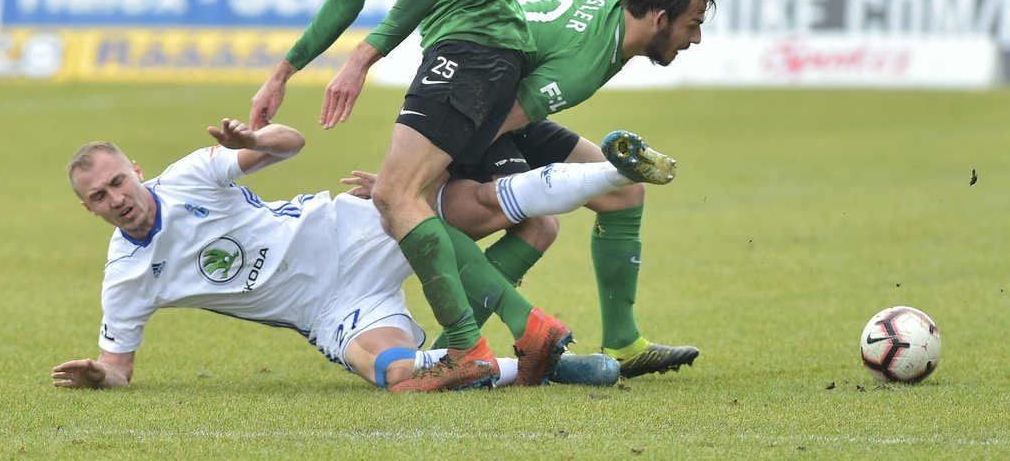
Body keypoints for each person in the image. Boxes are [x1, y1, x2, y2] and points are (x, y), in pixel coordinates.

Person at [248, 0, 562, 391]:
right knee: (434, 200)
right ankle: (531, 331)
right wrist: (284, 70)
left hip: (477, 41)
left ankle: (471, 349)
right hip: (470, 48)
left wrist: (361, 59)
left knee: (395, 197)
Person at [52, 119, 655, 392]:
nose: (116, 199)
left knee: (517, 219)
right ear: (89, 210)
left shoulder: (188, 177)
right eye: (98, 197)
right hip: (332, 309)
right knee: (397, 374)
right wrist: (98, 376)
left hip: (350, 228)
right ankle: (531, 365)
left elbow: (293, 142)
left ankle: (613, 174)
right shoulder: (126, 278)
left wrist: (256, 141)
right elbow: (119, 366)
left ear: (135, 171)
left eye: (117, 182)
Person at [438, 0, 716, 377]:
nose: (695, 39)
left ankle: (625, 344)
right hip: (479, 107)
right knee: (532, 221)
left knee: (624, 189)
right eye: (693, 25)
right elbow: (493, 123)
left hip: (507, 105)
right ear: (661, 18)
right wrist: (415, 179)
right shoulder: (582, 64)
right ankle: (451, 352)